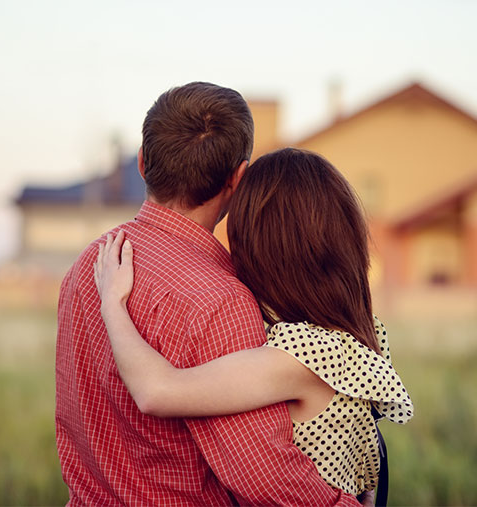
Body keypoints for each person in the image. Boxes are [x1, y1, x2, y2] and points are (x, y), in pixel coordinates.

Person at [55, 83, 359, 506]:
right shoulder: (221, 301)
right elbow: (261, 475)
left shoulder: (89, 266)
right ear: (238, 178)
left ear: (143, 163)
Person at [93, 148, 414, 505]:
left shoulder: (300, 355)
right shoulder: (353, 338)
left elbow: (156, 390)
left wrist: (113, 303)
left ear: (261, 246)